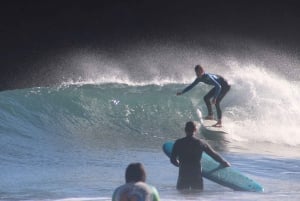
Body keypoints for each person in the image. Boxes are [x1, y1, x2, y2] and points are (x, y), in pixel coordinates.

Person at [170, 121, 230, 190]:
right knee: (197, 196)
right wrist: (224, 162)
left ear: (185, 129)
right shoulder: (200, 143)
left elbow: (172, 159)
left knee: (182, 196)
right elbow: (213, 154)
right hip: (196, 175)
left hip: (183, 174)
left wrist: (179, 164)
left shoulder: (179, 143)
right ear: (195, 129)